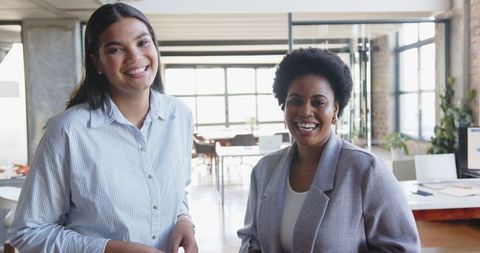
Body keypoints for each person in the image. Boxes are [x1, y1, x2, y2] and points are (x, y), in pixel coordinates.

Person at [9, 3, 198, 253]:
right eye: (116, 49)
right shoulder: (68, 130)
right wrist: (110, 249)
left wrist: (183, 220)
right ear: (97, 62)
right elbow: (28, 233)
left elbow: (177, 191)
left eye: (143, 43)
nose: (135, 57)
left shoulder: (179, 116)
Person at [237, 48, 420, 252]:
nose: (306, 111)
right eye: (295, 101)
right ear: (284, 106)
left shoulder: (366, 170)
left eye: (318, 102)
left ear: (335, 110)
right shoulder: (264, 170)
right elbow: (250, 239)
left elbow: (403, 248)